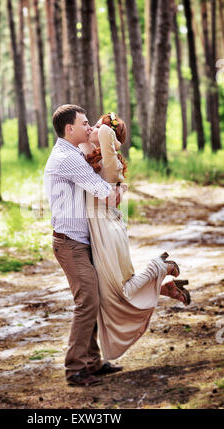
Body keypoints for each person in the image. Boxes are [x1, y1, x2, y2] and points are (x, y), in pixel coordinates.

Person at [79, 112, 191, 361]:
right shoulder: (95, 157)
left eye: (97, 126)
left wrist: (110, 126)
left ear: (110, 136)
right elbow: (80, 142)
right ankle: (161, 286)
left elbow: (107, 136)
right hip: (103, 230)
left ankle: (159, 266)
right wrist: (95, 128)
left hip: (106, 231)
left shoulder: (110, 162)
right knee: (110, 296)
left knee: (116, 293)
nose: (92, 129)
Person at [43, 105, 124, 386]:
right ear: (70, 129)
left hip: (80, 240)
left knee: (93, 299)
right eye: (85, 123)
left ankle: (92, 362)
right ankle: (75, 369)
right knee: (86, 301)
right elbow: (105, 194)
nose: (89, 127)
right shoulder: (68, 159)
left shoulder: (73, 153)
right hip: (70, 243)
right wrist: (120, 188)